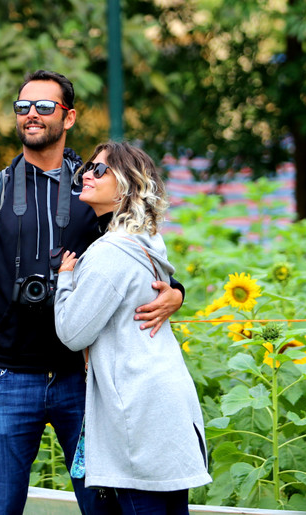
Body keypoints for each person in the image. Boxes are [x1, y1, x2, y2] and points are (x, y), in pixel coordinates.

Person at [0, 70, 185, 515]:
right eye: (23, 107)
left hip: (82, 377)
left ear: (69, 117)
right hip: (8, 374)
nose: (32, 114)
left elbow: (138, 248)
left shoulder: (94, 186)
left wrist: (175, 291)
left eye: (45, 106)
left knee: (101, 504)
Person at [55, 142, 211, 514]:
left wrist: (65, 280)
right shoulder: (147, 242)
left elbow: (73, 333)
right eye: (87, 168)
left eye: (99, 170)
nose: (87, 175)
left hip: (138, 412)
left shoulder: (110, 252)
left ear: (126, 186)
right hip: (164, 404)